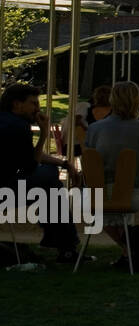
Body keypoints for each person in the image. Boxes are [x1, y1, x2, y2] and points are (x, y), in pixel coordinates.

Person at [0, 83, 80, 261]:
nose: (37, 109)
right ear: (17, 104)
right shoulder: (18, 126)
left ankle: (62, 242)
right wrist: (44, 134)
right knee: (50, 182)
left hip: (6, 184)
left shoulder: (6, 121)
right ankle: (65, 245)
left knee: (49, 178)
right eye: (33, 104)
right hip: (4, 191)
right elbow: (30, 166)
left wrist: (64, 164)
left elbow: (30, 157)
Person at [85, 81, 139, 265]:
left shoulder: (94, 129)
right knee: (124, 211)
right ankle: (132, 251)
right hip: (131, 193)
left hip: (99, 193)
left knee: (102, 214)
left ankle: (130, 251)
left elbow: (88, 164)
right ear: (138, 101)